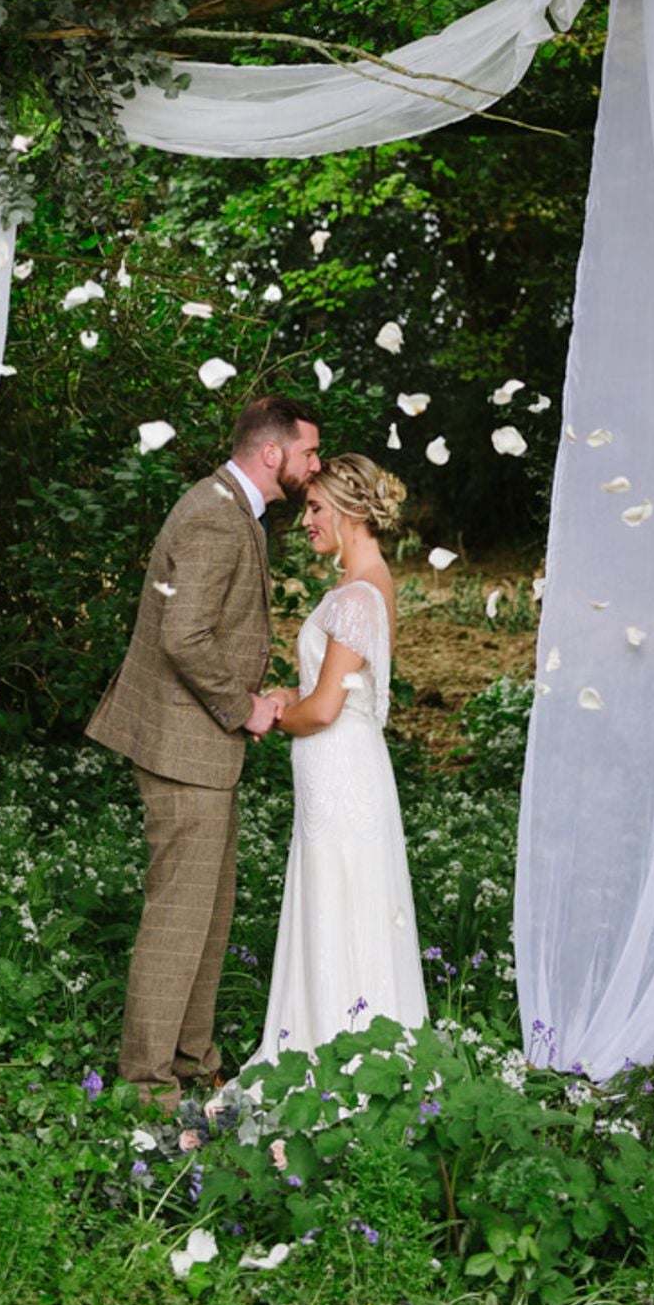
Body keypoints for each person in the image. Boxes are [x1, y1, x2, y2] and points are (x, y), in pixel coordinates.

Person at [88, 394, 322, 1109]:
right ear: (272, 451)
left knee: (209, 913)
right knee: (179, 915)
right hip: (182, 745)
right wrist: (242, 704)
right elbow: (183, 634)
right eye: (310, 452)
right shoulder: (217, 514)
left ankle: (191, 1059)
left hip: (200, 749)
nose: (315, 466)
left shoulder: (229, 506)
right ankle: (147, 1084)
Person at [251, 453, 428, 1063]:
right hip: (342, 770)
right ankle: (340, 1040)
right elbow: (334, 689)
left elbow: (325, 709)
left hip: (341, 772)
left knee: (340, 902)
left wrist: (274, 717)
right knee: (343, 900)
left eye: (316, 508)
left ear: (353, 512)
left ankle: (334, 1052)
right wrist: (288, 695)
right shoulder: (365, 586)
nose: (307, 520)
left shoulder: (356, 596)